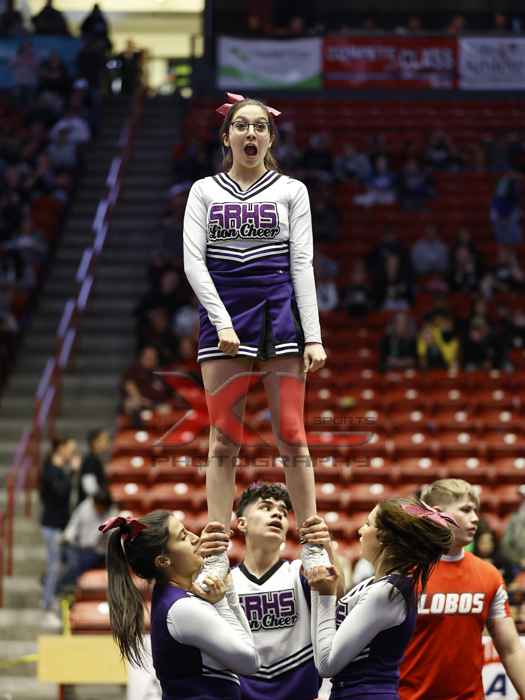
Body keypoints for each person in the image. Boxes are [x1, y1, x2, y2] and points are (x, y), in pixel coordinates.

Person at [183, 92, 329, 588]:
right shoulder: (204, 191)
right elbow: (193, 262)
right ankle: (216, 553)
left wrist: (312, 335)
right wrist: (222, 321)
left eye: (260, 126)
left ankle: (312, 545)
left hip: (278, 316)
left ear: (270, 138)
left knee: (292, 434)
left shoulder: (291, 190)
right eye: (242, 125)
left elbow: (301, 264)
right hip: (222, 315)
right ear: (226, 137)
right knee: (223, 440)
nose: (251, 133)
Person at [307, 498, 455, 699]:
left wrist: (323, 595)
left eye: (368, 524)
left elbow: (326, 664)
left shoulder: (386, 593)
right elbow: (343, 608)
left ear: (383, 537)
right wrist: (326, 549)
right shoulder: (379, 584)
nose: (360, 530)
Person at [102, 510, 260, 699]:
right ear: (163, 561)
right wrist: (223, 602)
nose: (195, 538)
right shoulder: (183, 609)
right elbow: (251, 662)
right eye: (183, 537)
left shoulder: (170, 595)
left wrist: (225, 593)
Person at [399, 479, 525, 700]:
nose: (475, 518)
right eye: (466, 510)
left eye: (475, 510)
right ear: (438, 514)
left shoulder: (489, 575)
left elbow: (511, 649)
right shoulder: (405, 574)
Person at [230, 482, 344, 700]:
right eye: (266, 507)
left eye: (283, 512)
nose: (277, 514)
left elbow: (336, 598)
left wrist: (326, 546)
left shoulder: (300, 572)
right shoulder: (226, 582)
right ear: (242, 523)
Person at [39, 436, 80, 614]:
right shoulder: (51, 470)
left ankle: (50, 596)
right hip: (52, 525)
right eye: (70, 450)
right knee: (54, 565)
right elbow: (60, 493)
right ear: (61, 448)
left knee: (62, 563)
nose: (72, 453)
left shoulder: (58, 469)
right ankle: (47, 601)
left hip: (60, 524)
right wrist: (72, 472)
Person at [58, 489, 118, 594]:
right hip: (80, 546)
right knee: (69, 558)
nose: (98, 509)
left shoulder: (112, 513)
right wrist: (68, 537)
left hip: (99, 552)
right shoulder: (85, 506)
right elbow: (74, 524)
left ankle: (66, 587)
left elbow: (113, 535)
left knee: (80, 563)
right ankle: (64, 586)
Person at [77, 428, 110, 503]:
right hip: (90, 505)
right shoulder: (90, 460)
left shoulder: (95, 459)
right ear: (94, 442)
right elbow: (90, 488)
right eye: (104, 440)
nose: (107, 443)